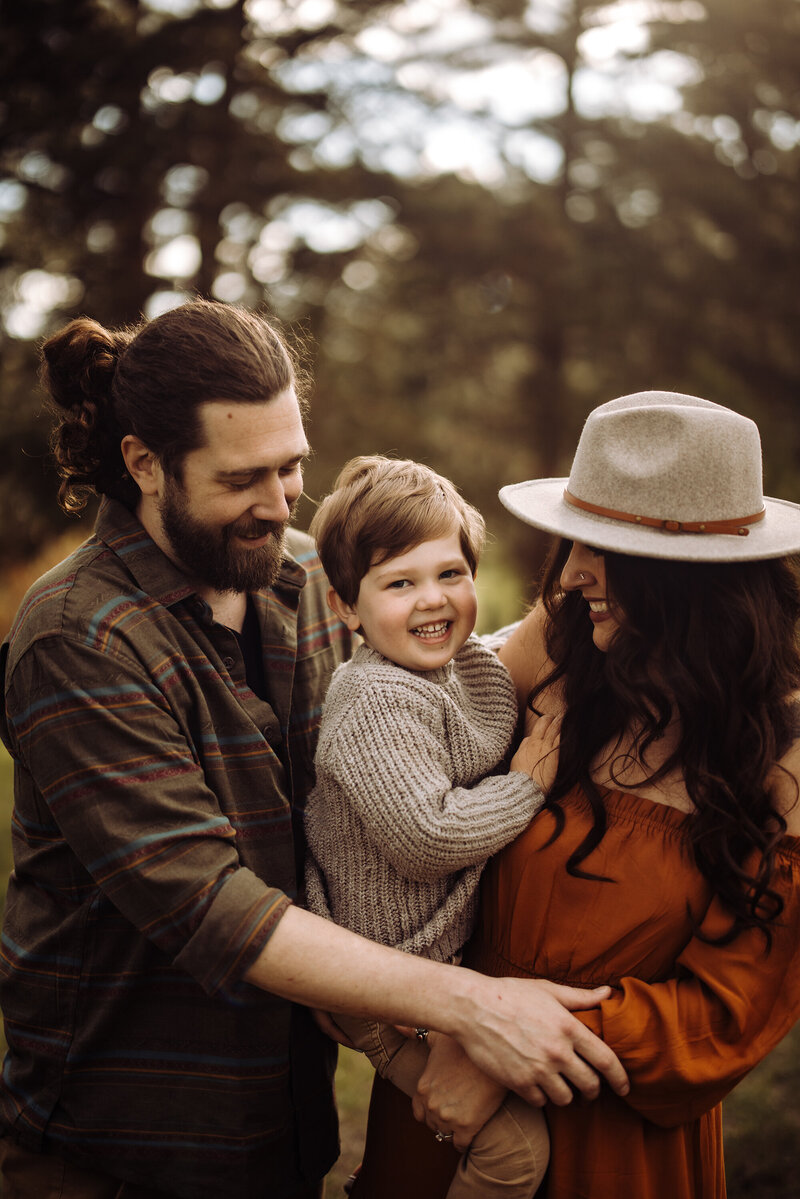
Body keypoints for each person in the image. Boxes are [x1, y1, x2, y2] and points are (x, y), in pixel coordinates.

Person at [0, 300, 629, 1199]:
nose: (280, 500)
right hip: (121, 1145)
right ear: (142, 462)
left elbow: (446, 672)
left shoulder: (300, 574)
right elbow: (211, 903)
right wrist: (472, 1005)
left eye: (292, 465)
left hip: (280, 1128)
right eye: (243, 477)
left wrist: (607, 569)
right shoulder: (81, 636)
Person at [348, 390, 800, 1199]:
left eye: (606, 550)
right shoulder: (562, 649)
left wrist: (506, 1045)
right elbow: (406, 705)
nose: (573, 573)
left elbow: (724, 1018)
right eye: (575, 540)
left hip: (610, 1136)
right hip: (443, 1101)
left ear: (691, 579)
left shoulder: (782, 762)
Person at [305, 455, 556, 1198]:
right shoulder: (376, 695)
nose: (432, 600)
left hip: (429, 963)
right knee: (515, 1151)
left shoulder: (458, 667)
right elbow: (429, 837)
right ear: (347, 606)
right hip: (381, 974)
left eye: (450, 573)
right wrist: (530, 783)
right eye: (400, 582)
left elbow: (499, 651)